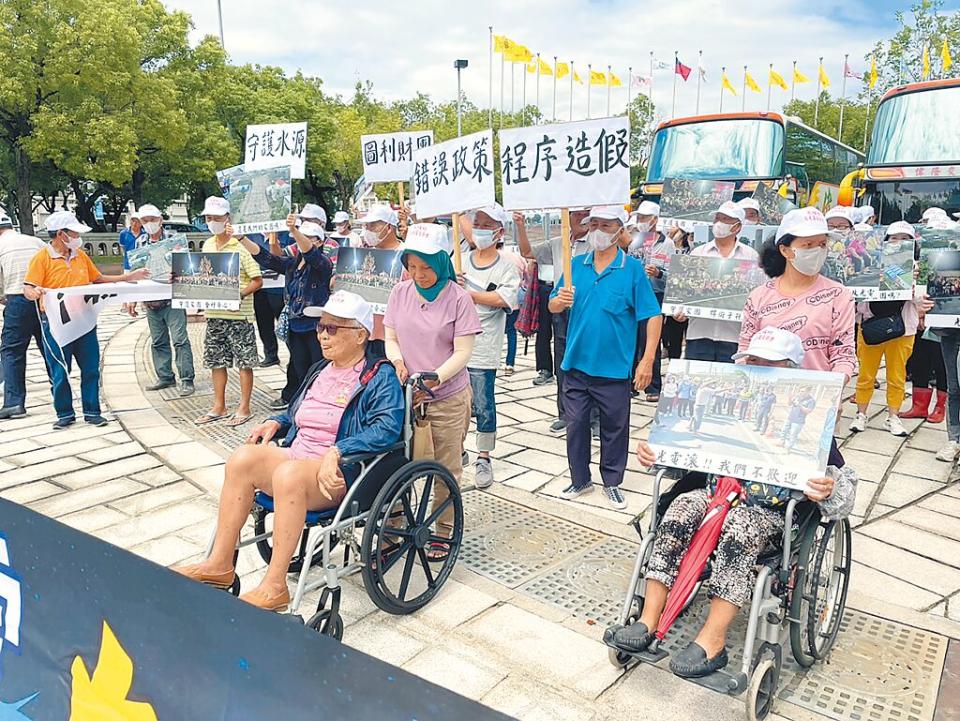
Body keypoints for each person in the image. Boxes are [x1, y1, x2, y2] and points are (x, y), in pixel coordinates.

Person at [614, 327, 857, 678]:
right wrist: (658, 453)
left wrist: (830, 488)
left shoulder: (812, 425)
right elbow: (686, 460)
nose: (759, 370)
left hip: (769, 514)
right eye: (754, 362)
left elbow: (847, 496)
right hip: (715, 496)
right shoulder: (735, 410)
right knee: (680, 506)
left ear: (793, 371)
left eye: (770, 364)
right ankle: (649, 619)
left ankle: (713, 641)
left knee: (740, 526)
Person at [172, 292, 403, 611]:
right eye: (321, 326)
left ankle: (275, 584)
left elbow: (388, 427)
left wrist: (338, 450)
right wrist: (274, 421)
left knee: (288, 475)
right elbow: (298, 411)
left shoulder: (379, 376)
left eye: (333, 329)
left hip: (340, 471)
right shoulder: (321, 369)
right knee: (243, 459)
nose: (322, 334)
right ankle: (219, 565)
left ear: (361, 335)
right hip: (298, 455)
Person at [548, 206, 663, 510]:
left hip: (614, 369)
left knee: (615, 427)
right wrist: (559, 300)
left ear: (619, 229)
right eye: (593, 224)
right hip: (575, 365)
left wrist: (647, 359)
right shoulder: (575, 266)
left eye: (605, 224)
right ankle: (580, 478)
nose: (598, 230)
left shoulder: (632, 270)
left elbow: (652, 315)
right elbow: (552, 307)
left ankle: (612, 481)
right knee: (575, 424)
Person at [384, 223, 481, 558]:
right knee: (395, 464)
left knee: (445, 467)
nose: (419, 275)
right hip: (407, 395)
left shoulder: (459, 298)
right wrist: (398, 362)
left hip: (447, 396)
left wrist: (435, 377)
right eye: (412, 267)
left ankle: (443, 530)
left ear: (441, 262)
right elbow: (391, 336)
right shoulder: (400, 292)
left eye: (426, 267)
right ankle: (394, 527)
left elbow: (463, 351)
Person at [23, 211, 150, 429]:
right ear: (61, 234)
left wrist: (127, 278)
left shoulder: (81, 256)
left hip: (83, 320)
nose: (77, 237)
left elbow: (98, 279)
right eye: (73, 232)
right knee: (60, 369)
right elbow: (28, 287)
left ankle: (92, 411)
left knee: (90, 367)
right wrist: (35, 292)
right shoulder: (42, 258)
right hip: (56, 323)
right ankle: (64, 413)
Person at [738, 207, 857, 384]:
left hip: (815, 398)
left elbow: (843, 356)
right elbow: (745, 348)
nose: (817, 250)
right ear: (785, 250)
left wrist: (833, 392)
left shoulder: (839, 296)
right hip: (764, 394)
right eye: (808, 245)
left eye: (822, 244)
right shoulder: (759, 296)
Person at [239, 214, 333, 412]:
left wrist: (294, 231)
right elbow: (266, 258)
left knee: (318, 368)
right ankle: (300, 405)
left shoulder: (323, 264)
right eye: (302, 236)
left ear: (319, 241)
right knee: (299, 366)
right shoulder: (291, 264)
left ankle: (319, 404)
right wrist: (242, 239)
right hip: (296, 325)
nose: (303, 241)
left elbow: (312, 255)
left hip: (316, 326)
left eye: (310, 237)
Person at [850, 222, 933, 436]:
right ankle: (861, 413)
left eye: (904, 239)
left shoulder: (919, 268)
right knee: (866, 373)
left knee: (897, 375)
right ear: (885, 242)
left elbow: (921, 300)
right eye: (894, 239)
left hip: (902, 328)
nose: (898, 243)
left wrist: (913, 287)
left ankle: (893, 417)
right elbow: (858, 295)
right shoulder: (872, 264)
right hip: (871, 326)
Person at [515, 208, 594, 433]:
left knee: (589, 361)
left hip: (587, 308)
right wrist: (520, 225)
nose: (582, 217)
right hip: (560, 307)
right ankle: (565, 413)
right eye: (577, 213)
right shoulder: (558, 243)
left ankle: (594, 418)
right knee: (562, 361)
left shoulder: (596, 242)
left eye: (586, 212)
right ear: (567, 215)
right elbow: (527, 251)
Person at [459, 204, 520, 488]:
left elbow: (504, 300)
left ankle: (484, 456)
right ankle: (456, 449)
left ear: (499, 232)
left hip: (484, 347)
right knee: (455, 403)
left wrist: (468, 294)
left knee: (484, 404)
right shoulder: (459, 259)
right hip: (454, 346)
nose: (480, 228)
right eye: (477, 223)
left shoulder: (507, 265)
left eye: (486, 224)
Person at [193, 196, 263, 428]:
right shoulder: (208, 245)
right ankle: (219, 405)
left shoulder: (240, 245)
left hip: (239, 315)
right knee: (216, 361)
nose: (212, 221)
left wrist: (239, 294)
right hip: (214, 315)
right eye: (208, 218)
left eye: (216, 217)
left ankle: (244, 406)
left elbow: (257, 279)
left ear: (227, 218)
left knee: (244, 362)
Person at [124, 204, 196, 397]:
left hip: (172, 298)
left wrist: (179, 273)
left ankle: (187, 378)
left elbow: (187, 267)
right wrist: (132, 298)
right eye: (145, 221)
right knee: (158, 341)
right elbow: (135, 271)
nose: (149, 224)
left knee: (180, 339)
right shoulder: (140, 242)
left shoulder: (174, 240)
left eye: (152, 220)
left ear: (160, 220)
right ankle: (165, 376)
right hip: (150, 299)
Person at [678, 202, 758, 363]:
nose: (719, 223)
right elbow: (684, 292)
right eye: (717, 219)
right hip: (699, 334)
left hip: (735, 337)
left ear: (737, 227)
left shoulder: (751, 257)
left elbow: (758, 297)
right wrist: (680, 311)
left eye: (726, 219)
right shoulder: (698, 253)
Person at [0, 206, 46, 419]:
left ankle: (14, 403)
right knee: (49, 348)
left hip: (18, 299)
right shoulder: (34, 241)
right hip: (45, 298)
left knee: (12, 351)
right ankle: (62, 395)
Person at [625, 200, 672, 403]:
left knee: (651, 340)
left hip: (654, 294)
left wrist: (659, 273)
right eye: (639, 217)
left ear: (655, 219)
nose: (641, 221)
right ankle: (629, 383)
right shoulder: (632, 240)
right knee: (630, 340)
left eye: (644, 217)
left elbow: (674, 276)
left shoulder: (667, 244)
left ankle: (653, 386)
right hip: (632, 295)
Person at [662, 228, 691, 360]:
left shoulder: (696, 250)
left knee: (689, 335)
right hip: (675, 295)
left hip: (690, 296)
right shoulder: (668, 246)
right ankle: (672, 358)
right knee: (674, 334)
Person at [500, 243, 528, 377]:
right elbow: (527, 278)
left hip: (495, 301)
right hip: (515, 301)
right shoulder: (516, 257)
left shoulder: (493, 258)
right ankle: (509, 364)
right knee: (512, 333)